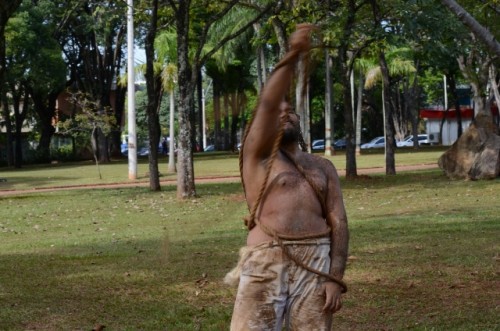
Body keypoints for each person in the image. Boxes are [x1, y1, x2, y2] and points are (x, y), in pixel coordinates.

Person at [225, 24, 349, 330]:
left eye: (290, 110)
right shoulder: (256, 158)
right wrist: (293, 54)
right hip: (265, 258)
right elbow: (268, 103)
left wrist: (335, 278)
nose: (285, 113)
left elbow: (340, 223)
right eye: (278, 112)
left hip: (316, 261)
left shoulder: (322, 167)